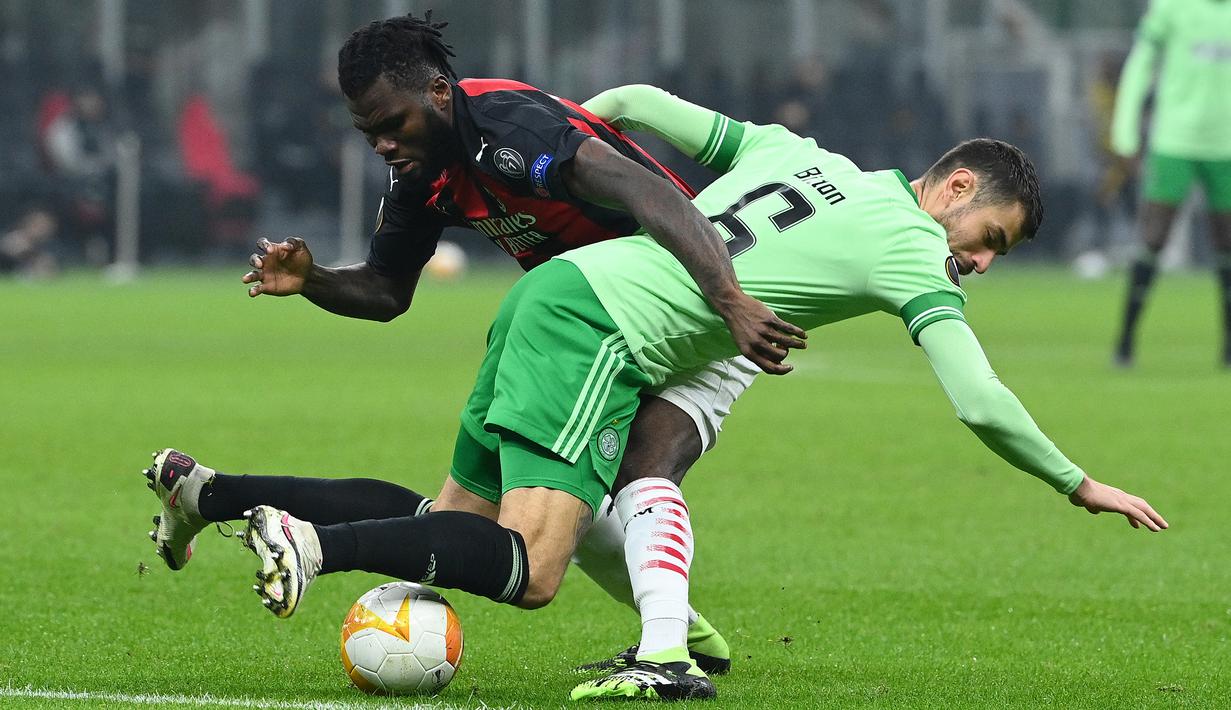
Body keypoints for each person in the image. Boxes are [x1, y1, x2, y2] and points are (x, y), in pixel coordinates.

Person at [148, 88, 1167, 702]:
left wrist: (565, 134)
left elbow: (634, 103)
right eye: (987, 237)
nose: (979, 262)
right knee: (533, 562)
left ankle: (212, 491)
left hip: (550, 297)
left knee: (448, 520)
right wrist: (1076, 481)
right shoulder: (911, 245)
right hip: (605, 329)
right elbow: (979, 399)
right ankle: (317, 546)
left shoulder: (798, 154)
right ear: (952, 190)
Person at [146, 11, 803, 680]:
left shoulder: (511, 129)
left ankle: (217, 497)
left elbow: (648, 189)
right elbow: (385, 291)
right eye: (366, 132)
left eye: (389, 124)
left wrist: (729, 299)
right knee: (526, 552)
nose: (380, 144)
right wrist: (313, 280)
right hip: (575, 330)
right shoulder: (421, 176)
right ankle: (295, 536)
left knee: (486, 520)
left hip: (650, 315)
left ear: (437, 92)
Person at [1111, 0, 1231, 366]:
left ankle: (1228, 349)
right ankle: (1125, 342)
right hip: (1175, 141)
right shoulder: (1171, 7)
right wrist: (1125, 133)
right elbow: (1140, 64)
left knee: (1227, 243)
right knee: (1153, 237)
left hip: (1225, 144)